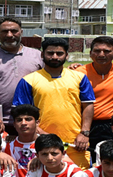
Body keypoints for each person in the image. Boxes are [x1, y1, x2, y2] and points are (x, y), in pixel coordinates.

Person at [12, 37, 96, 169]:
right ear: (42, 54)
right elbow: (21, 112)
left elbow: (88, 105)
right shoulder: (29, 80)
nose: (55, 57)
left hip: (76, 142)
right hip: (42, 143)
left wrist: (84, 133)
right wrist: (39, 132)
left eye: (59, 53)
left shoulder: (79, 78)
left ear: (66, 55)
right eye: (50, 53)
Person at [0, 17, 43, 134]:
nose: (9, 35)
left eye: (14, 31)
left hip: (31, 122)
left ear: (21, 32)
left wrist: (73, 67)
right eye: (5, 31)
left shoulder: (38, 56)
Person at [71, 36, 113, 156]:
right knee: (86, 157)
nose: (101, 54)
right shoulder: (78, 73)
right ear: (90, 53)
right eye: (97, 51)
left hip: (112, 124)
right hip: (85, 124)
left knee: (112, 158)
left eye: (107, 51)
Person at [3, 104, 40, 177]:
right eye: (19, 120)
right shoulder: (6, 145)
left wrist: (42, 159)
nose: (23, 123)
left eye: (28, 119)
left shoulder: (47, 145)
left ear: (37, 122)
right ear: (14, 124)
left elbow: (67, 162)